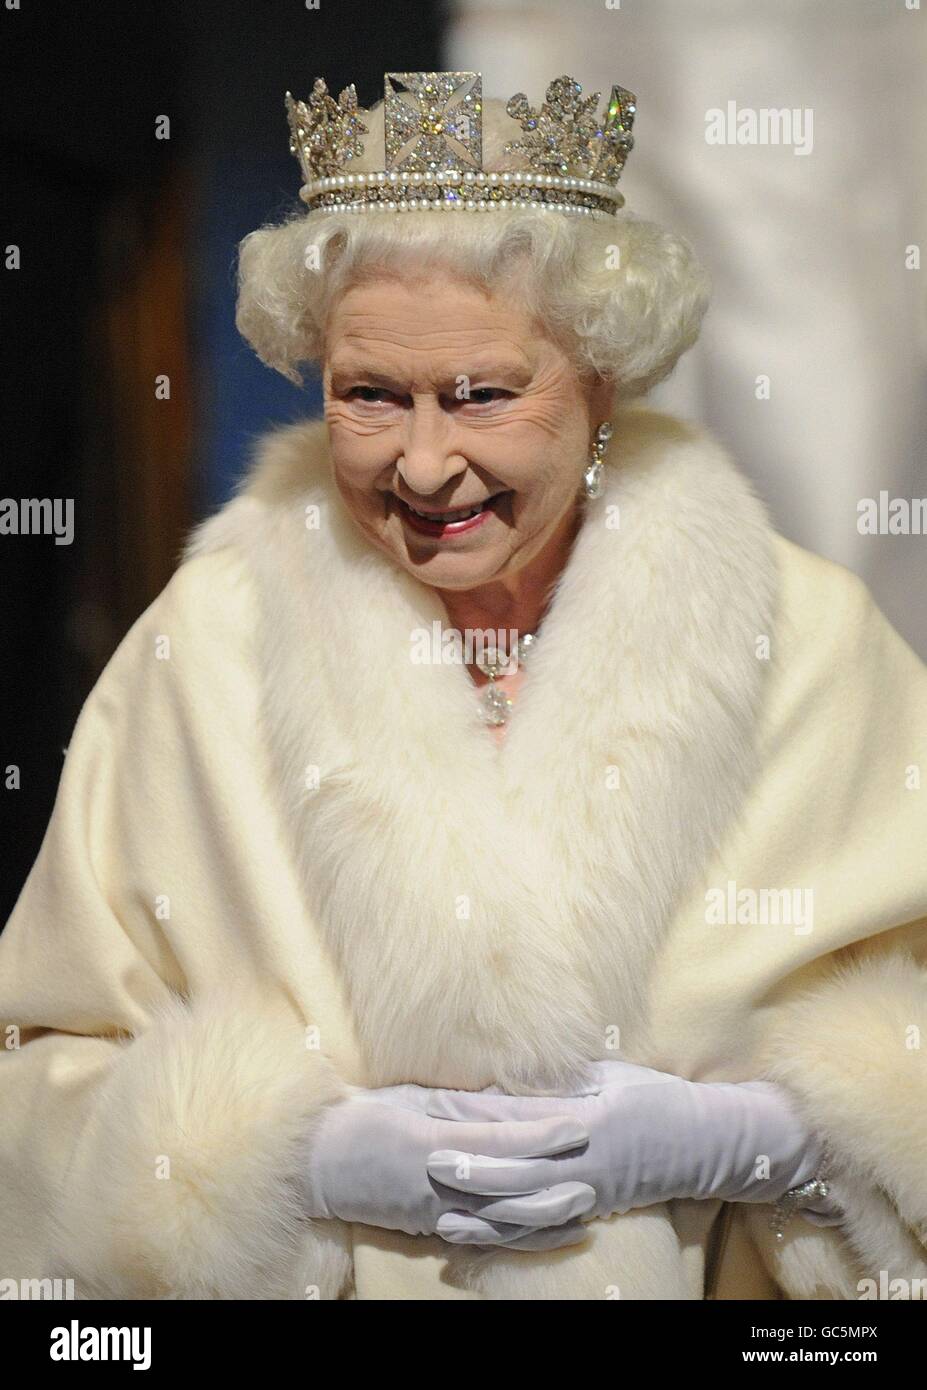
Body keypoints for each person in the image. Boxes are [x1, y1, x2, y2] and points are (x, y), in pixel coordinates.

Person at [1, 72, 924, 1302]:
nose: (426, 465)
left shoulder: (812, 643)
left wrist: (768, 1140)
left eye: (482, 394)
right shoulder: (205, 643)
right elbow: (33, 1078)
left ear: (600, 382)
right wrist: (286, 1161)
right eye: (369, 395)